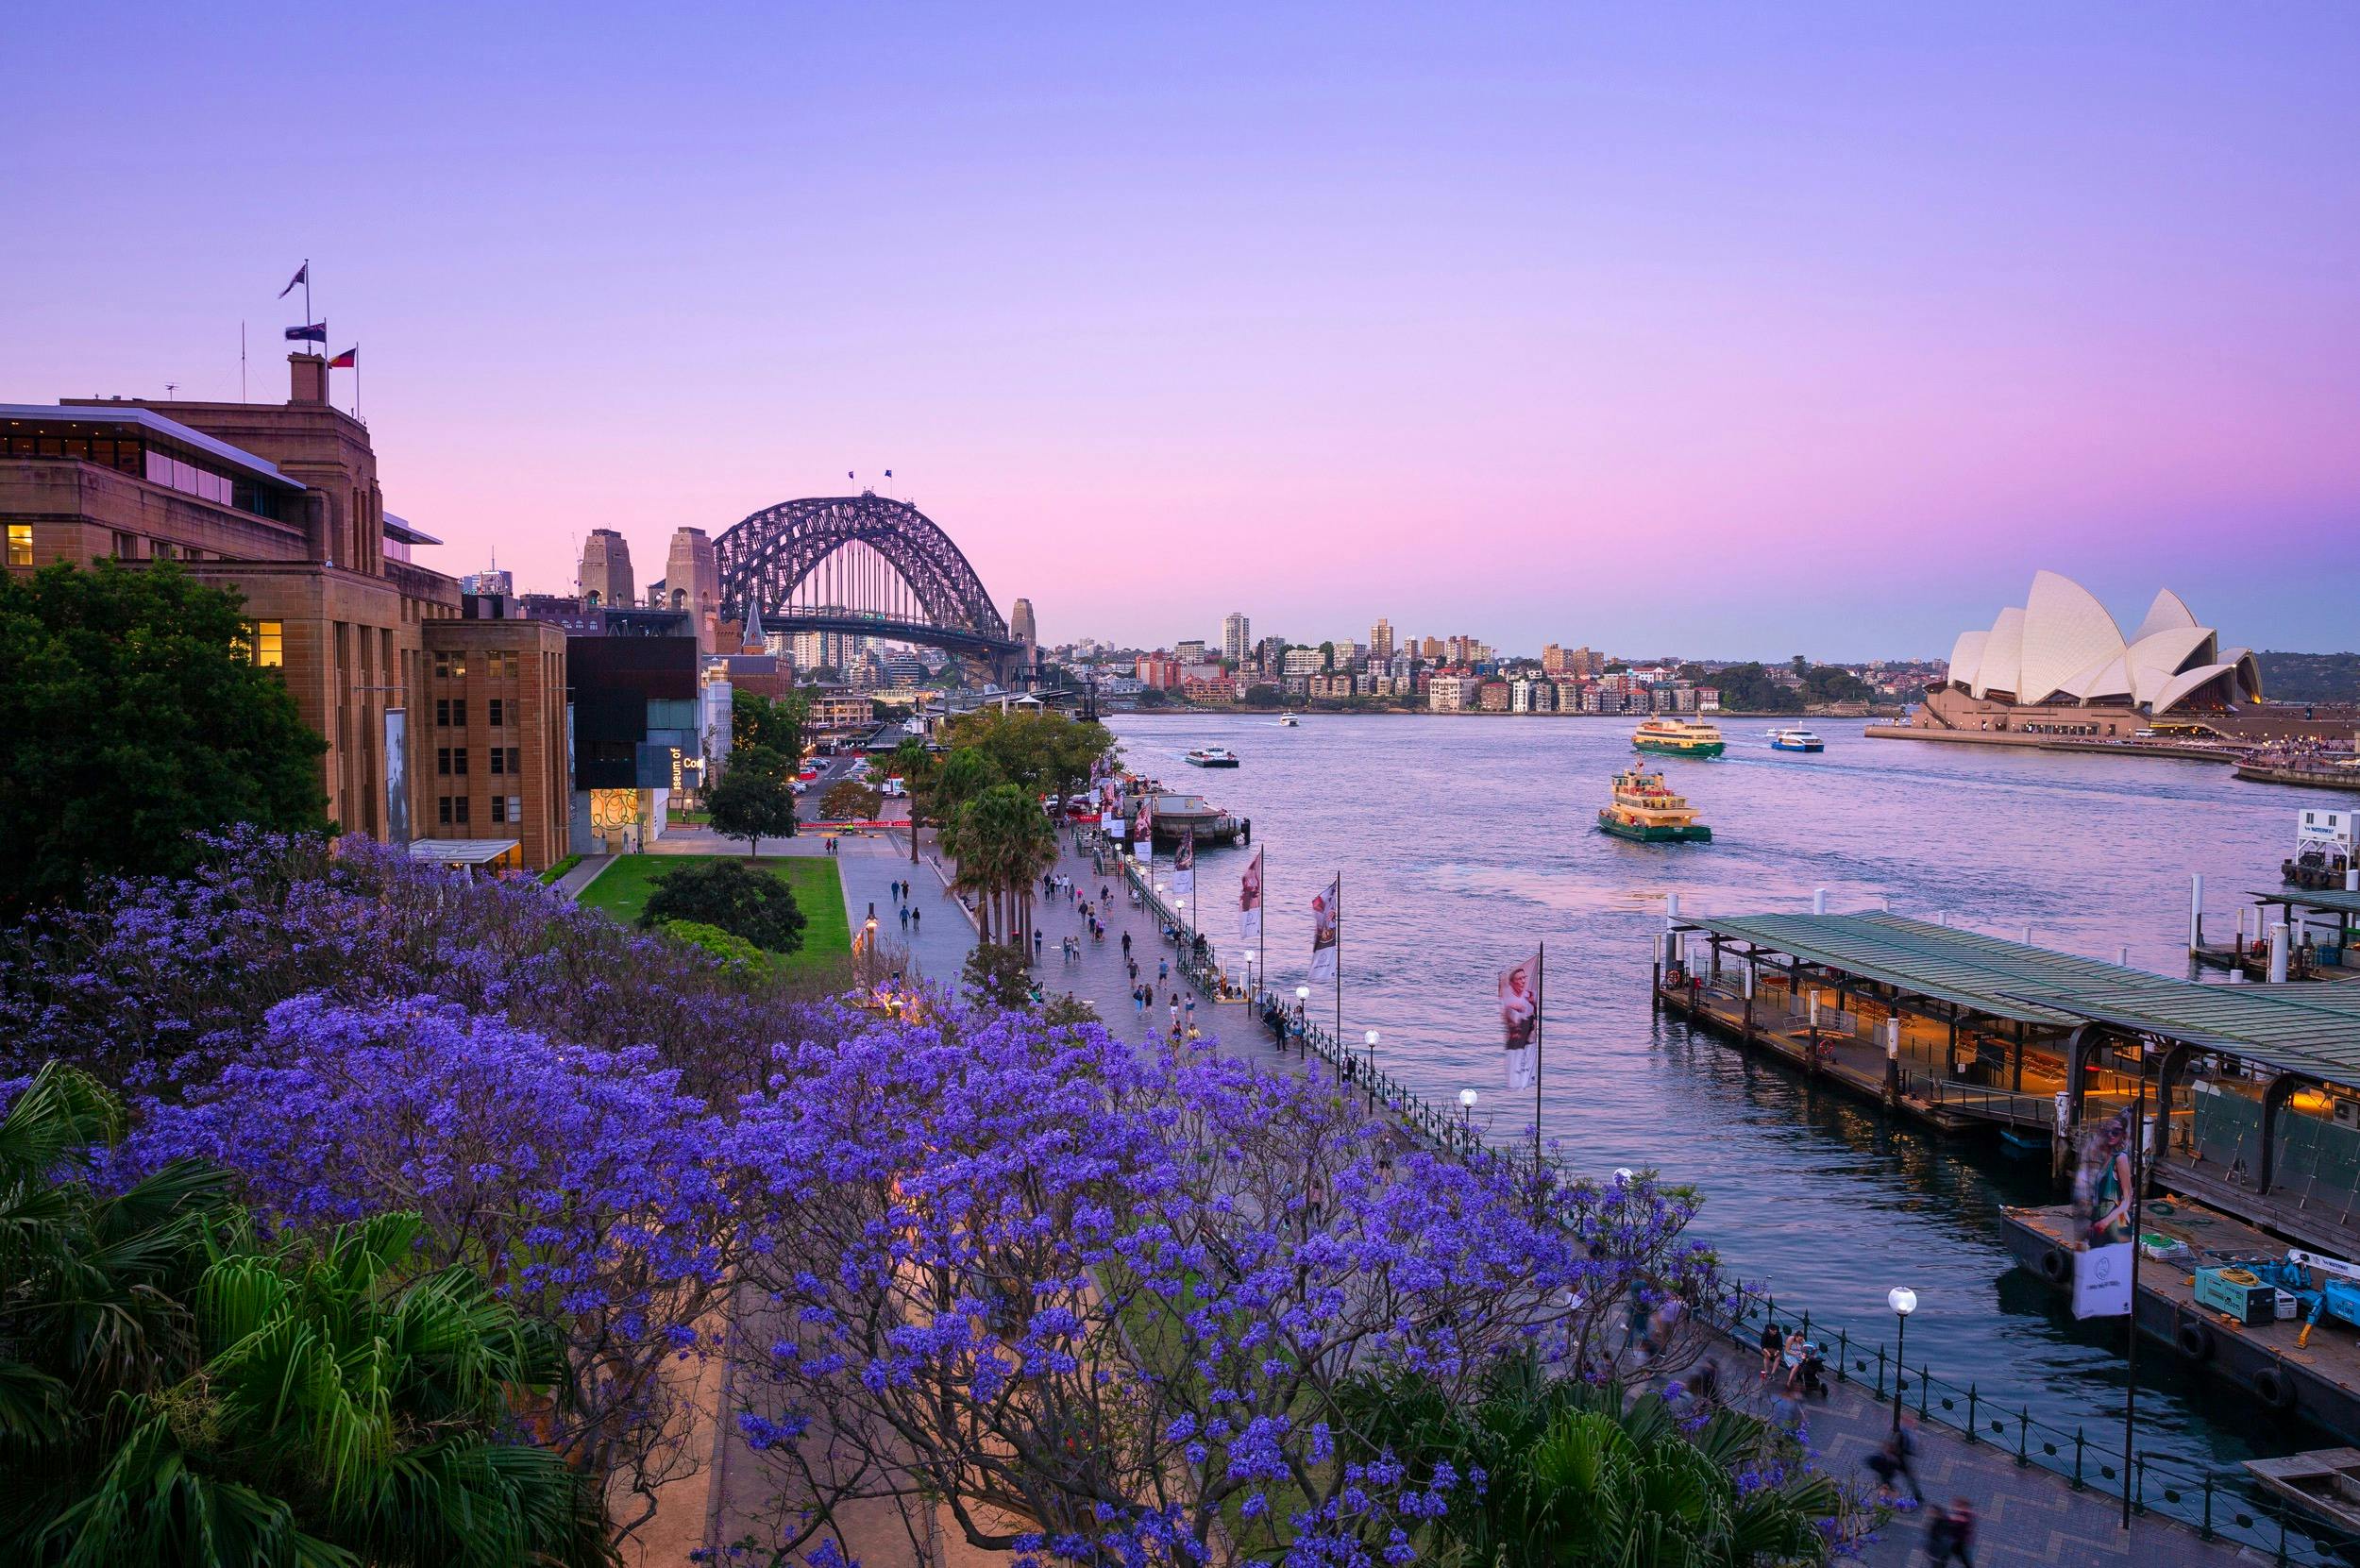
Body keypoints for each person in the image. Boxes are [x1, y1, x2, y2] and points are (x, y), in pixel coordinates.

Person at [1866, 1419, 1923, 1504]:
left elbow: (1899, 1449)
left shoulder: (1899, 1437)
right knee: (1889, 1481)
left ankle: (1914, 1495)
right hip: (1892, 1463)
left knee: (1891, 1480)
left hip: (1896, 1462)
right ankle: (1892, 1496)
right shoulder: (1899, 1436)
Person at [1921, 1498, 1973, 1566]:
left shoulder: (1943, 1523)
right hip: (1950, 1544)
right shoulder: (1942, 1521)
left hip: (1948, 1546)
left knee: (1957, 1555)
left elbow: (1942, 1538)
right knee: (1959, 1555)